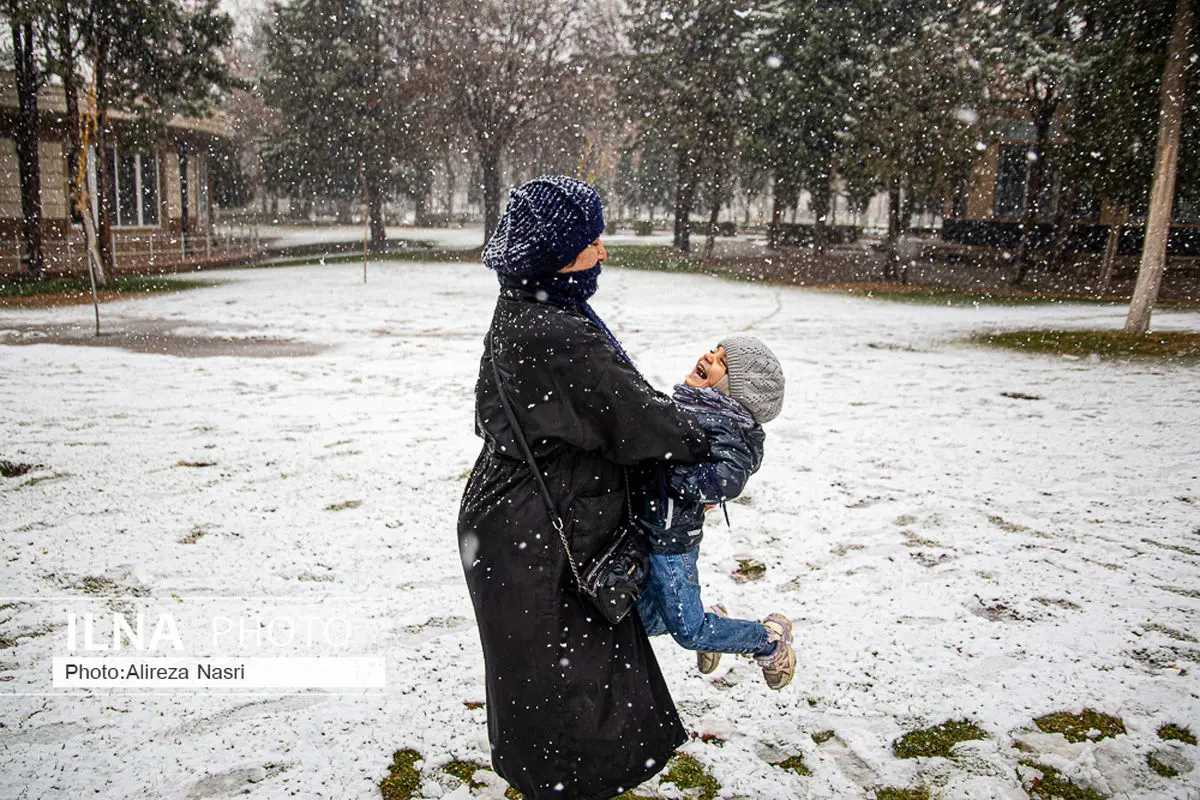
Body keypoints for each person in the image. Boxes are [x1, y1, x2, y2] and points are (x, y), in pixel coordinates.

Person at [457, 175, 711, 800]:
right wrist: (713, 426)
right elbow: (642, 423)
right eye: (588, 240)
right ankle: (570, 784)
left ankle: (554, 777)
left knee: (543, 677)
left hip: (516, 524)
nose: (601, 252)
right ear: (551, 251)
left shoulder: (528, 304)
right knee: (571, 687)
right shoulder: (556, 330)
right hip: (544, 538)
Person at [633, 336, 795, 689]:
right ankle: (715, 624)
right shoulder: (689, 405)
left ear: (734, 392)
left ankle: (767, 641)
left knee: (689, 632)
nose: (709, 355)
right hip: (647, 529)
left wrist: (671, 471)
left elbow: (725, 481)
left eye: (722, 361)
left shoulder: (728, 426)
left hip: (672, 543)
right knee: (642, 620)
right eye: (714, 349)